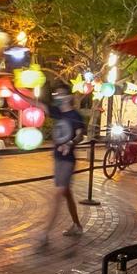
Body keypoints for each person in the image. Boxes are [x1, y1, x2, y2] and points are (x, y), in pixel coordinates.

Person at [41, 87, 86, 243]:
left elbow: (80, 135)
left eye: (59, 94)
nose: (56, 96)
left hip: (68, 160)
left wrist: (70, 143)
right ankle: (77, 226)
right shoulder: (58, 112)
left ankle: (45, 232)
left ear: (68, 97)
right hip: (58, 159)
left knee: (58, 193)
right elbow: (38, 104)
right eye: (55, 94)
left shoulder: (75, 116)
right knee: (67, 193)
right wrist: (16, 91)